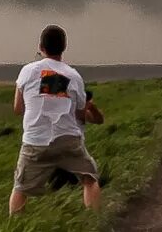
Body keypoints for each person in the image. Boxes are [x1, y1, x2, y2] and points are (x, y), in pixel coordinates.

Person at [9, 24, 103, 214]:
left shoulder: (27, 71)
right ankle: (95, 222)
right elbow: (78, 114)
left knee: (20, 188)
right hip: (67, 140)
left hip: (35, 142)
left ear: (40, 46)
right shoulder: (72, 75)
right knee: (90, 179)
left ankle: (15, 225)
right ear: (64, 46)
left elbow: (18, 109)